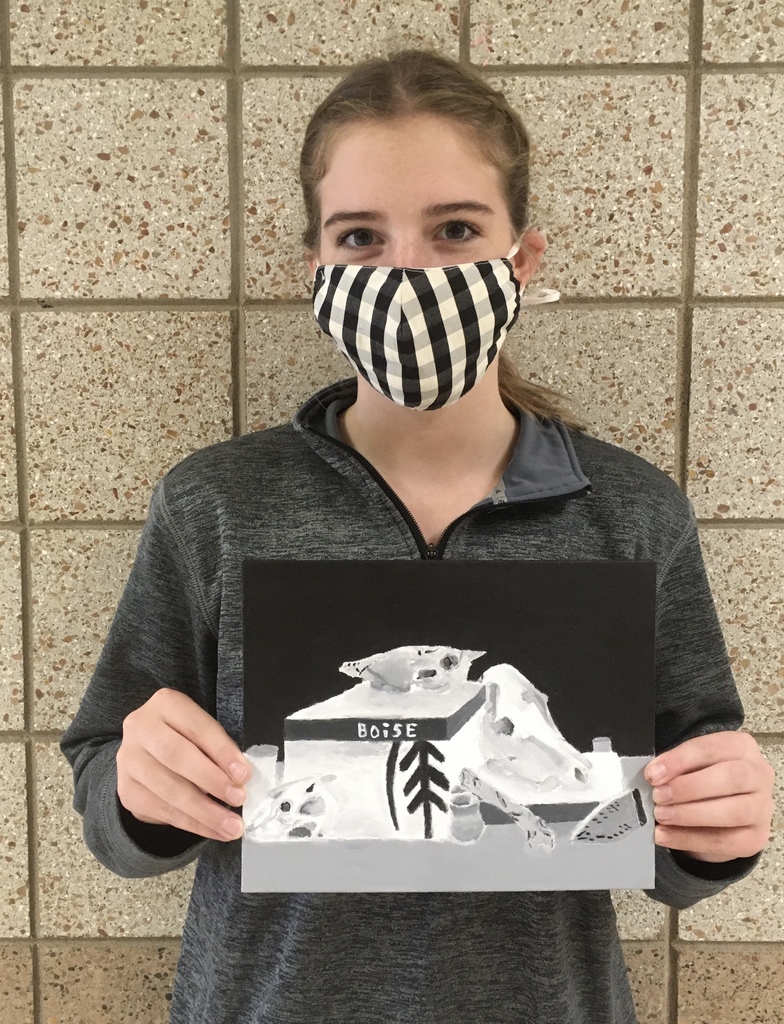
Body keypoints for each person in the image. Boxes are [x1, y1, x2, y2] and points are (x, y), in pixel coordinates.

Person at [61, 49, 774, 1023]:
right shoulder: (214, 505)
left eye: (454, 230)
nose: (409, 274)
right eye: (360, 235)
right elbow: (108, 785)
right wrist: (136, 788)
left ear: (520, 260)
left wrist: (718, 825)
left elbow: (672, 835)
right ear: (313, 271)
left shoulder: (630, 512)